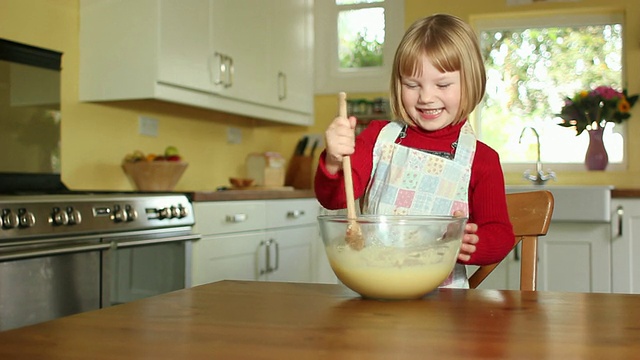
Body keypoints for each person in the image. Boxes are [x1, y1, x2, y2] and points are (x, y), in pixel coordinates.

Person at [314, 13, 514, 288]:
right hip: (374, 287)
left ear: (471, 82)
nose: (426, 97)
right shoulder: (378, 138)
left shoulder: (482, 159)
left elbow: (501, 233)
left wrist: (472, 244)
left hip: (445, 305)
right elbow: (335, 199)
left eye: (442, 84)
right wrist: (335, 161)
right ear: (399, 84)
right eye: (412, 84)